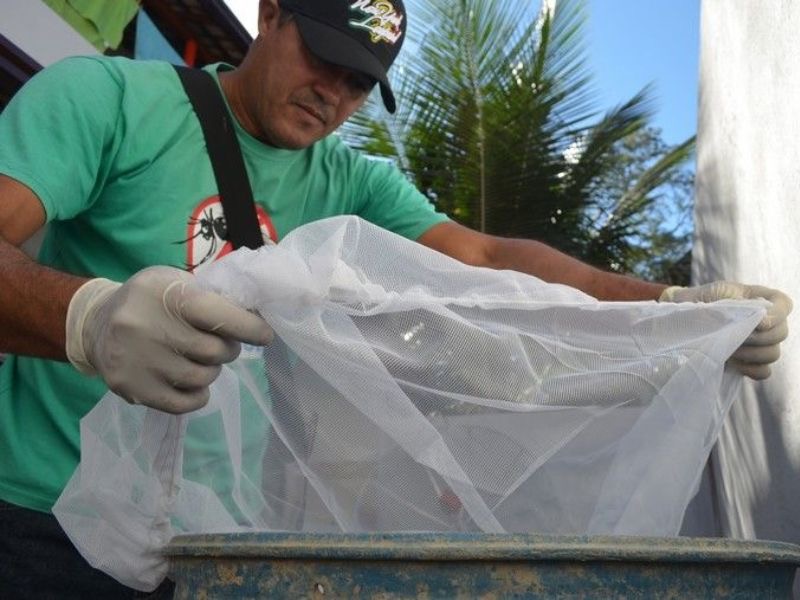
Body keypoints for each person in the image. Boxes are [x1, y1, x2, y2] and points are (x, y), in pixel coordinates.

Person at [0, 0, 791, 597]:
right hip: (39, 517)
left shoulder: (345, 183)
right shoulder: (106, 101)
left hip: (207, 548)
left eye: (358, 82)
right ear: (271, 13)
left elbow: (484, 256)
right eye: (323, 57)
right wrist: (89, 320)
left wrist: (670, 304)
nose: (333, 96)